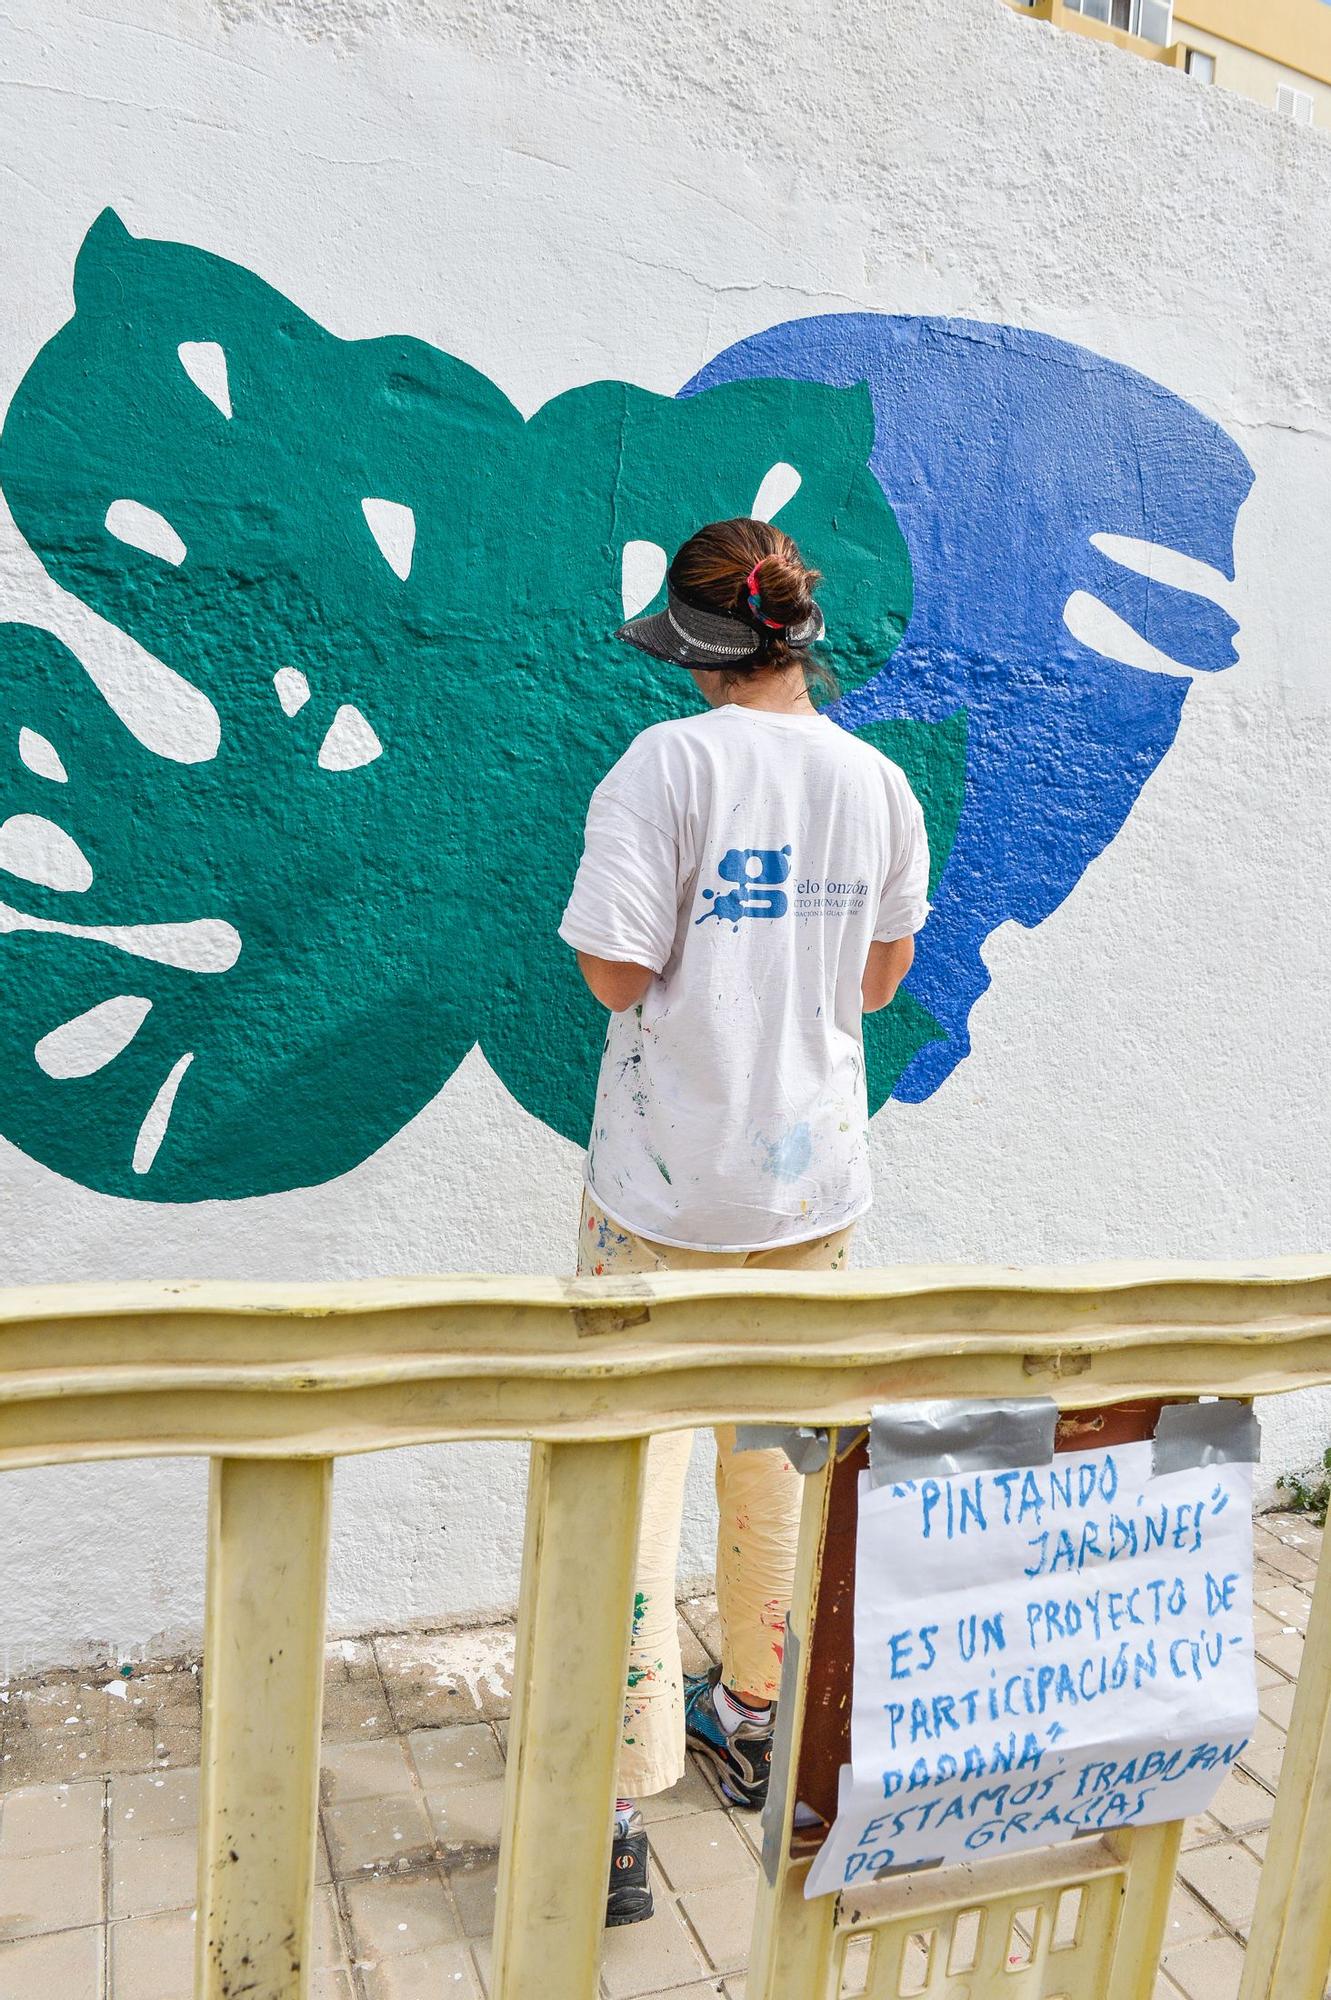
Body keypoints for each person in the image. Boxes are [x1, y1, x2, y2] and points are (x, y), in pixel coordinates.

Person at [558, 516, 930, 1926]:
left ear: (704, 651)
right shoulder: (877, 780)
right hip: (811, 1181)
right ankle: (756, 1709)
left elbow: (612, 975)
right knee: (775, 1457)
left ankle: (610, 1805)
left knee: (626, 1478)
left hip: (660, 1183)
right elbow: (882, 983)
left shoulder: (668, 764)